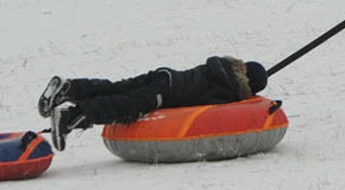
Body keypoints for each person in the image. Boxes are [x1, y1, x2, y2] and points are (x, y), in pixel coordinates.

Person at [37, 56, 269, 150]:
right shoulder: (227, 91)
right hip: (165, 94)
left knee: (118, 87)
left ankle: (70, 88)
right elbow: (215, 113)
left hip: (164, 76)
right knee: (124, 104)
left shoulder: (218, 68)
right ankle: (70, 118)